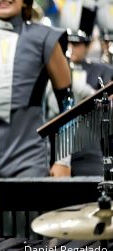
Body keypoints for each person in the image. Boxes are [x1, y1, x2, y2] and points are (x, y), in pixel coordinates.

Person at [0, 0, 72, 178]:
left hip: (30, 157)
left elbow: (68, 104)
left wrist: (63, 160)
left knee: (30, 206)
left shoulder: (46, 38)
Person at [46, 0, 113, 176]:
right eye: (67, 43)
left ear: (88, 44)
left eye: (77, 44)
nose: (70, 49)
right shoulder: (52, 69)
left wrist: (90, 94)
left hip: (91, 156)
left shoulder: (103, 72)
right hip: (55, 155)